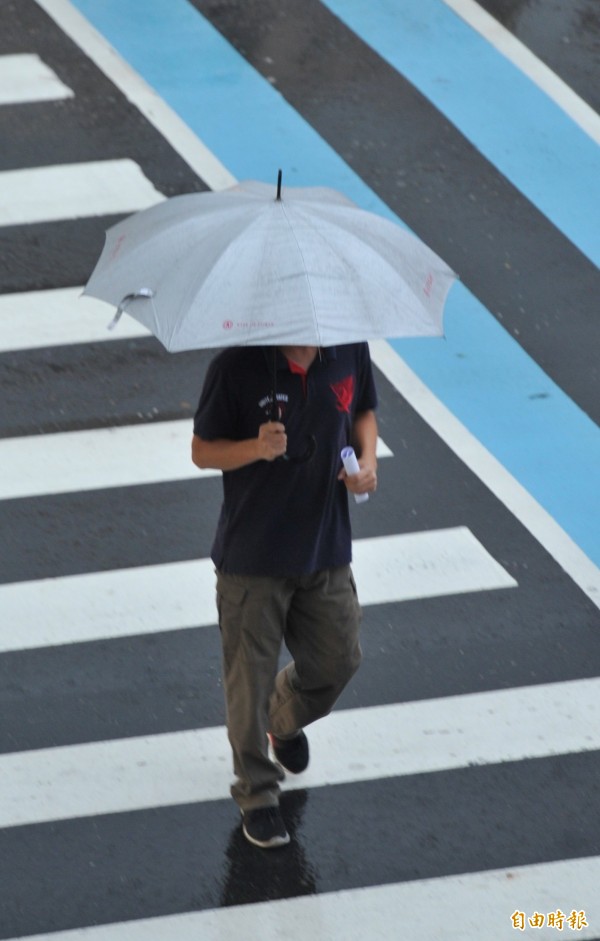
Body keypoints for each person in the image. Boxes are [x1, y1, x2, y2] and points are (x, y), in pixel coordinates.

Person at [191, 343, 378, 848]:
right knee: (247, 685)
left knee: (338, 660)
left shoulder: (348, 349)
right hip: (253, 560)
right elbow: (202, 450)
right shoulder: (235, 366)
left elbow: (362, 410)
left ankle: (283, 719)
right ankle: (257, 793)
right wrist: (255, 448)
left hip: (325, 547)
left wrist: (367, 458)